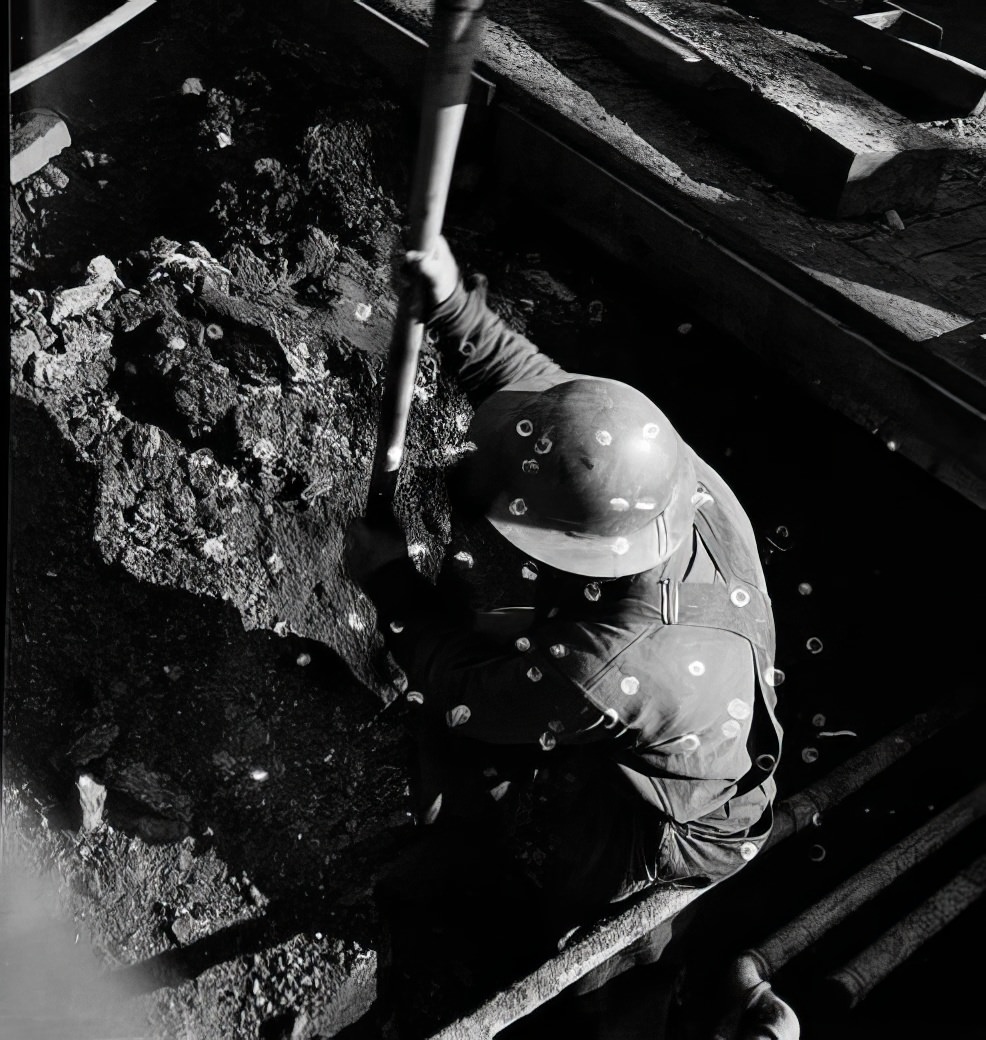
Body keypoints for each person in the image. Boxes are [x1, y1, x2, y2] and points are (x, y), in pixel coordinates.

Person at [344, 237, 783, 1037]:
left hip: (676, 816)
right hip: (689, 708)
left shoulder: (603, 665)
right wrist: (450, 300)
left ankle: (605, 994)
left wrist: (388, 584)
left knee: (583, 924)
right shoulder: (660, 470)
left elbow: (468, 692)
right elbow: (543, 395)